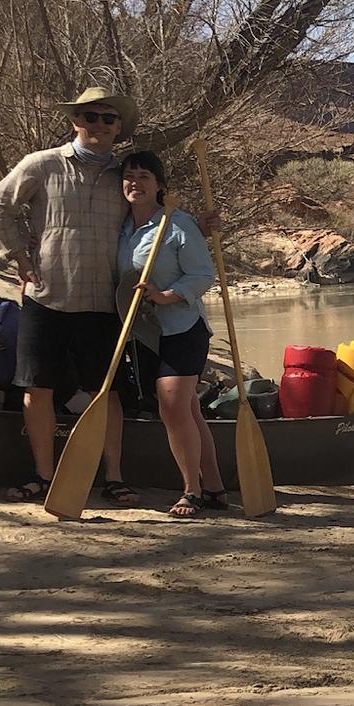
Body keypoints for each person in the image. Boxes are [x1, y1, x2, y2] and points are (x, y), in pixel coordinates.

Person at [0, 86, 141, 505]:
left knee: (106, 392)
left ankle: (113, 477)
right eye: (92, 117)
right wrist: (18, 256)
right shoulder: (42, 164)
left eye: (109, 119)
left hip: (104, 303)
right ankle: (44, 476)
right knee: (38, 389)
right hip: (45, 297)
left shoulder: (126, 177)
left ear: (119, 128)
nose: (100, 125)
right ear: (76, 122)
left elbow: (155, 217)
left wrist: (199, 224)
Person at [116, 151, 227, 517]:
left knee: (173, 404)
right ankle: (214, 488)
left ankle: (191, 491)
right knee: (188, 412)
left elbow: (202, 274)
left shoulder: (177, 224)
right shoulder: (122, 229)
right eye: (129, 176)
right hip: (146, 334)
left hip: (183, 327)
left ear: (160, 185)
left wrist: (166, 295)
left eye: (144, 176)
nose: (136, 182)